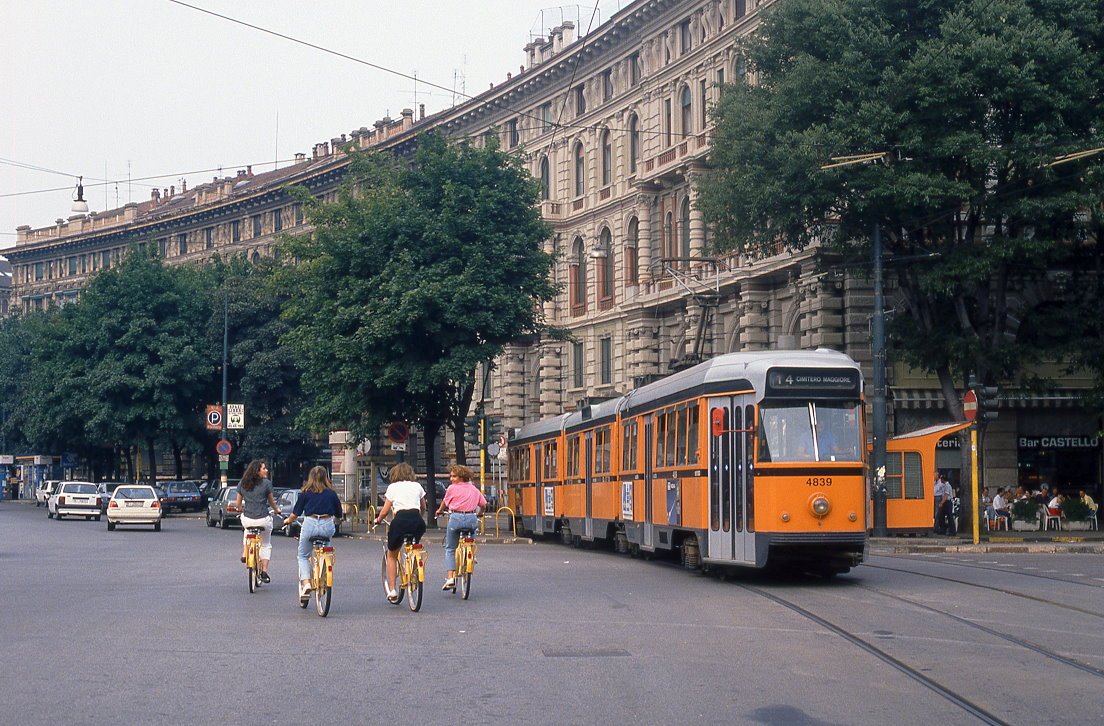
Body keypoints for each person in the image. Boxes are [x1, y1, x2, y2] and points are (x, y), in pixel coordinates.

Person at [282, 465, 344, 602]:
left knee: (303, 556)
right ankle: (324, 571)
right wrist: (337, 519)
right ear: (326, 478)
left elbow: (295, 514)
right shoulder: (331, 494)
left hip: (310, 524)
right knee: (326, 550)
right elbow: (339, 513)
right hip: (327, 524)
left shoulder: (305, 493)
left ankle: (307, 583)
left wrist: (287, 521)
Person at [373, 462, 427, 603]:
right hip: (417, 521)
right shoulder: (417, 486)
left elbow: (385, 510)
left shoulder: (392, 487)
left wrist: (378, 519)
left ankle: (392, 589)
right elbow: (423, 507)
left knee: (392, 554)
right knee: (414, 544)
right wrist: (420, 516)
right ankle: (414, 564)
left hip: (400, 521)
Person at [434, 464, 487, 591]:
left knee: (450, 549)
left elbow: (445, 503)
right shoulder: (474, 489)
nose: (451, 479)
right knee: (471, 535)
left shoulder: (452, 489)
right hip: (471, 518)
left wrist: (439, 511)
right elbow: (483, 504)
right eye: (451, 476)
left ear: (462, 477)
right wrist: (480, 513)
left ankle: (450, 578)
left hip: (456, 519)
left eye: (454, 476)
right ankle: (472, 555)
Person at [233, 460, 281, 583]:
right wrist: (277, 510)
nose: (266, 470)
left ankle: (245, 552)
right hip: (263, 519)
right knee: (266, 544)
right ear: (257, 470)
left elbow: (237, 505)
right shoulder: (266, 483)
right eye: (264, 468)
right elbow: (271, 502)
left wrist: (240, 509)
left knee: (247, 528)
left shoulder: (242, 483)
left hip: (248, 519)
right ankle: (264, 571)